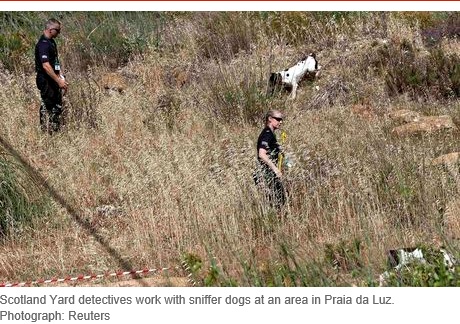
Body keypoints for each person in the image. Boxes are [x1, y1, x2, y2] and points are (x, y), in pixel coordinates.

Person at [35, 18, 68, 133]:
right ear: (50, 29)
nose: (59, 33)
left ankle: (55, 131)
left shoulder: (52, 42)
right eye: (58, 31)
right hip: (45, 80)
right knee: (47, 105)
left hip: (53, 78)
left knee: (57, 105)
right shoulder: (43, 44)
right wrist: (58, 81)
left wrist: (60, 76)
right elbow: (46, 66)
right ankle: (45, 132)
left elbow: (55, 62)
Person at [254, 109, 286, 210]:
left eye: (282, 120)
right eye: (278, 119)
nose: (280, 122)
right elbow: (262, 154)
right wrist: (275, 169)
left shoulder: (271, 134)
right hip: (267, 174)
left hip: (270, 174)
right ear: (270, 119)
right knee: (278, 202)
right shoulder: (267, 133)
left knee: (278, 201)